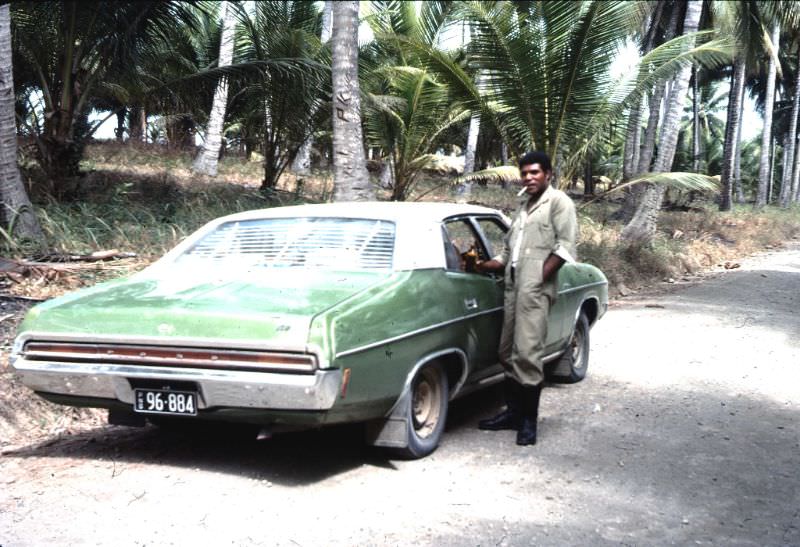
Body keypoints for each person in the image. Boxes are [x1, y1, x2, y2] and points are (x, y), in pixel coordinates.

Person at [475, 151, 578, 446]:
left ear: (548, 174)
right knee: (507, 353)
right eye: (525, 173)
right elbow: (508, 254)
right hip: (512, 289)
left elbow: (564, 248)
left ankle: (528, 424)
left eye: (535, 172)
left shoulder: (559, 203)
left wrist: (537, 280)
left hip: (534, 292)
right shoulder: (523, 206)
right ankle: (511, 414)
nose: (529, 178)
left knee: (528, 355)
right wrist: (481, 265)